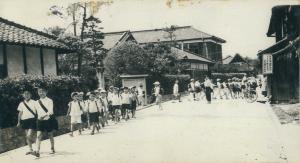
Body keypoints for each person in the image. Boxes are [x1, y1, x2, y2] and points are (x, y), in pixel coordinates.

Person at [32, 86, 57, 158]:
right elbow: (35, 112)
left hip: (48, 120)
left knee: (50, 135)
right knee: (38, 135)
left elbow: (51, 111)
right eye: (39, 91)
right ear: (38, 93)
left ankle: (52, 148)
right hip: (40, 121)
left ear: (46, 92)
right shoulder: (36, 102)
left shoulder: (50, 100)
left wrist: (44, 116)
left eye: (43, 91)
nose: (41, 93)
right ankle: (37, 151)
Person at [17, 90, 37, 155]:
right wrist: (18, 122)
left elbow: (38, 110)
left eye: (28, 94)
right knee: (28, 136)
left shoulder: (34, 102)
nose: (26, 95)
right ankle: (31, 149)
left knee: (29, 135)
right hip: (25, 121)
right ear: (23, 95)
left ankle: (36, 149)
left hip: (32, 120)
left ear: (30, 95)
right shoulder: (21, 103)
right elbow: (20, 113)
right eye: (25, 94)